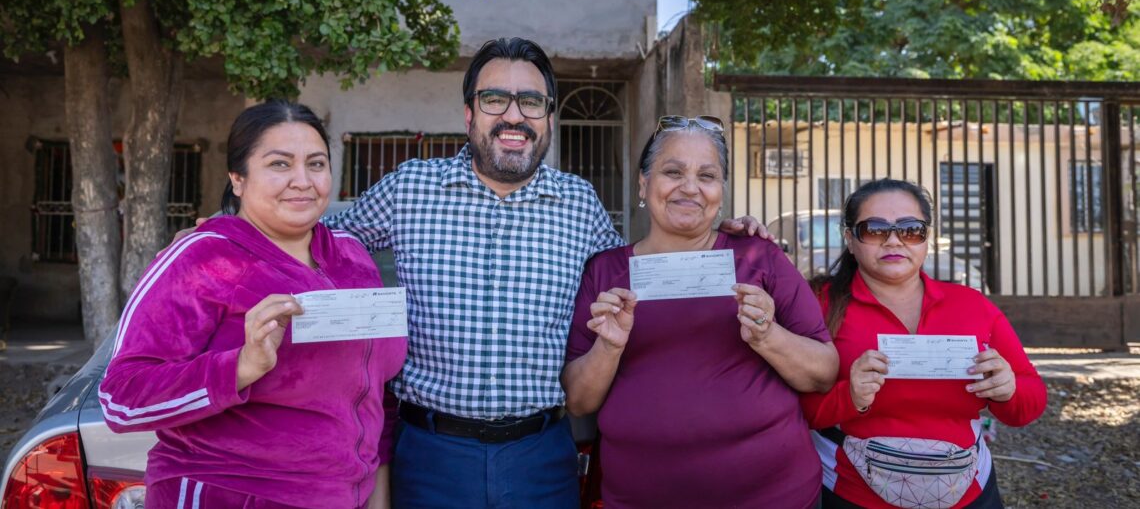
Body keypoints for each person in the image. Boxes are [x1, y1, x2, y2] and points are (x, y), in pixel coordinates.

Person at [323, 39, 766, 508]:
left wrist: (716, 237)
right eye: (495, 99)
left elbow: (641, 277)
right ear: (469, 114)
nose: (514, 116)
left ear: (548, 118)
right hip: (431, 453)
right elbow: (316, 246)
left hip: (541, 456)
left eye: (531, 102)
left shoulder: (578, 203)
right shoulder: (409, 189)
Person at [99, 101, 407, 509]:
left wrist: (376, 497)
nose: (302, 180)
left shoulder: (353, 257)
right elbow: (122, 400)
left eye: (316, 164)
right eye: (279, 164)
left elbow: (374, 393)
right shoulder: (201, 258)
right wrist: (240, 367)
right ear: (238, 179)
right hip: (227, 493)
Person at [561, 115, 839, 508]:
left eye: (706, 176)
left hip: (774, 495)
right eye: (672, 172)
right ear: (644, 183)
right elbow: (578, 401)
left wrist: (767, 335)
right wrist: (608, 347)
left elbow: (824, 374)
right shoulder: (606, 271)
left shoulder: (760, 256)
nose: (689, 187)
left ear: (720, 191)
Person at [800, 179, 1047, 509]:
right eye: (874, 229)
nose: (893, 241)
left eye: (910, 229)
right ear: (850, 239)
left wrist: (1008, 390)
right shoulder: (819, 305)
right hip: (852, 493)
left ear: (926, 238)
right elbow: (795, 410)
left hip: (969, 491)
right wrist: (850, 396)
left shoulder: (972, 305)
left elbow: (1029, 403)